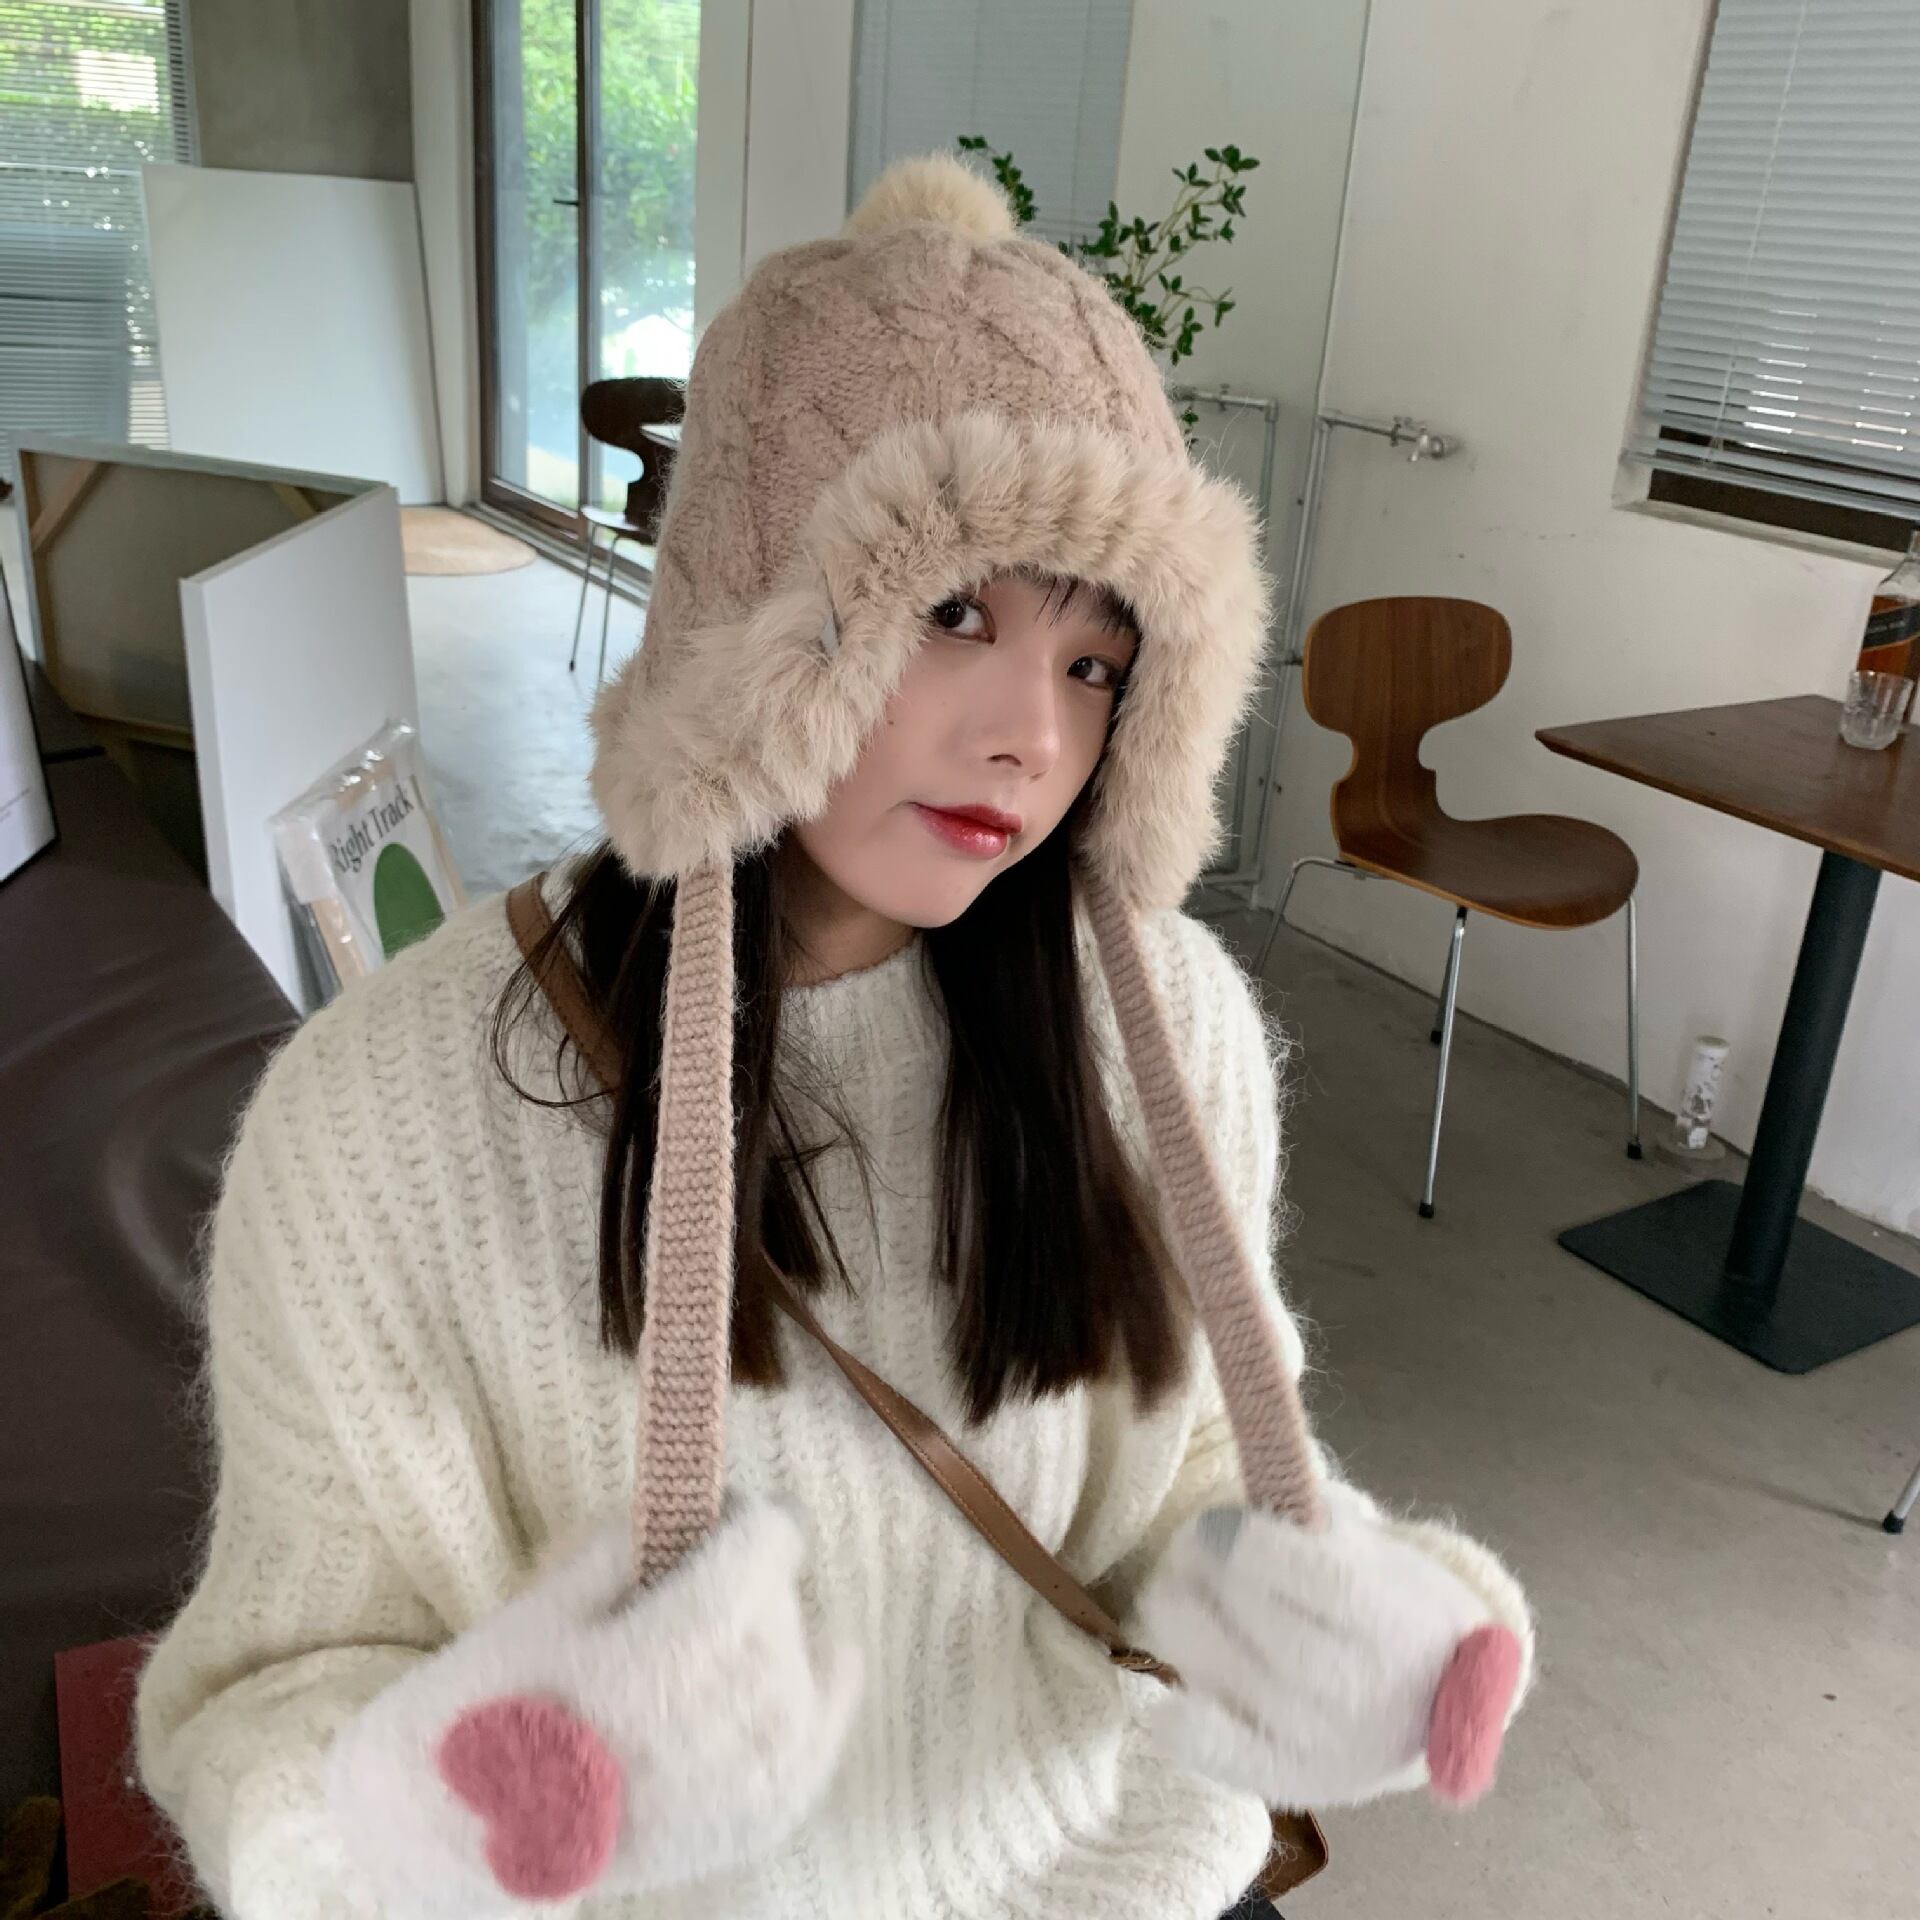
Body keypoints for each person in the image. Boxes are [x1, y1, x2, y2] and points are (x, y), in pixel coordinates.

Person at [134, 155, 1534, 1920]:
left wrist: (1316, 1611)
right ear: (752, 625)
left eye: (1098, 659)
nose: (1033, 736)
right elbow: (274, 1688)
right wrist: (453, 1818)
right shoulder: (377, 1118)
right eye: (955, 613)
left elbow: (1173, 1469)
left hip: (1112, 1869)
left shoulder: (1169, 1027)